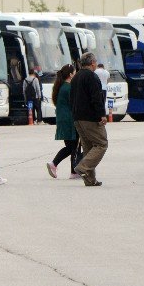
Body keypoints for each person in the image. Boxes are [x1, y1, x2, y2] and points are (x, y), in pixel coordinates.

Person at [70, 52, 108, 187]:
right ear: (92, 63)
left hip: (77, 117)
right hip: (90, 117)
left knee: (88, 147)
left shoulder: (75, 77)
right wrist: (101, 115)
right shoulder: (92, 77)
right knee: (102, 143)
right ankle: (83, 167)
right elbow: (97, 98)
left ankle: (90, 179)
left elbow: (72, 98)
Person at [47, 64, 80, 180]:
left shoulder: (60, 87)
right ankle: (56, 164)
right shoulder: (69, 87)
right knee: (74, 146)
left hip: (63, 119)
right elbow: (75, 105)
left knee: (71, 146)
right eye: (75, 72)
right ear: (71, 74)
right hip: (70, 120)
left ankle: (71, 170)